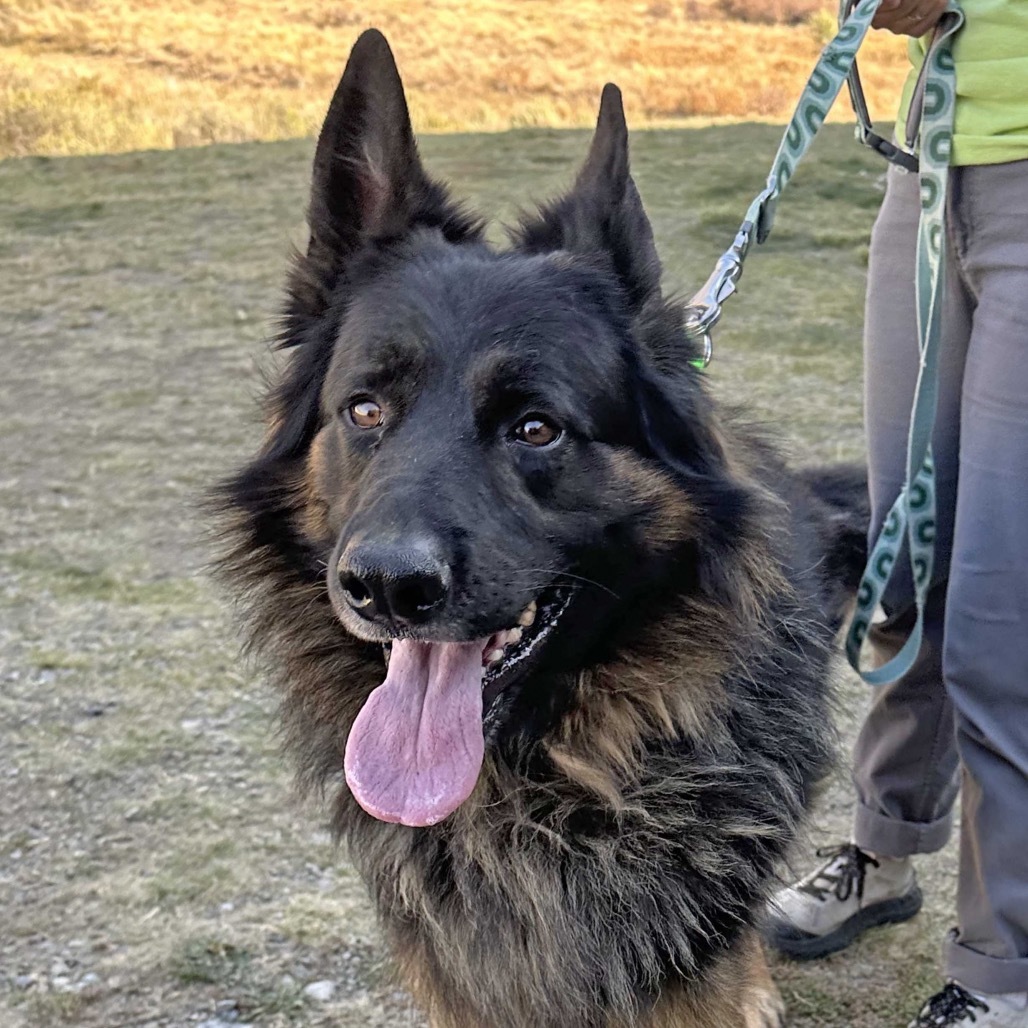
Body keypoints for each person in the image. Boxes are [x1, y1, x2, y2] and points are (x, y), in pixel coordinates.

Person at [764, 1, 1028, 1025]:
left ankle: (1001, 961)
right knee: (901, 559)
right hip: (924, 168)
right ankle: (882, 847)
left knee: (998, 606)